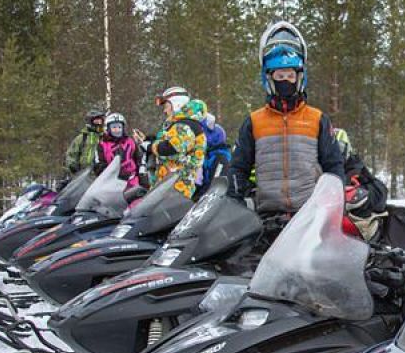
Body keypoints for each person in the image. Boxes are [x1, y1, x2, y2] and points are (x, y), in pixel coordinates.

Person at [226, 21, 345, 214]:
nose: (285, 81)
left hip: (309, 216)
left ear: (299, 78)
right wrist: (236, 200)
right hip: (267, 217)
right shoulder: (254, 122)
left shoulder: (317, 119)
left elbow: (333, 166)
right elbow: (238, 168)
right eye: (280, 76)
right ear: (269, 79)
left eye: (290, 76)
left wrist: (334, 204)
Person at [132, 86, 206, 200]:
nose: (164, 110)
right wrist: (147, 140)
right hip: (169, 185)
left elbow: (171, 149)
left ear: (176, 104)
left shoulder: (185, 126)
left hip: (178, 188)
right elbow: (167, 142)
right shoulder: (180, 125)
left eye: (166, 106)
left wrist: (150, 147)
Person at [93, 112, 146, 190]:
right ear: (108, 128)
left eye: (119, 127)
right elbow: (98, 164)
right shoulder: (102, 145)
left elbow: (139, 160)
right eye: (114, 127)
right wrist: (107, 172)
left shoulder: (130, 142)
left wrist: (142, 177)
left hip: (132, 181)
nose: (117, 130)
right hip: (111, 183)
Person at [65, 107, 105, 174]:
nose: (99, 123)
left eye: (100, 121)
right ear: (90, 121)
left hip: (100, 175)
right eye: (96, 121)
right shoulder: (82, 138)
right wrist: (72, 165)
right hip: (82, 174)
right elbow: (71, 154)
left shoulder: (105, 138)